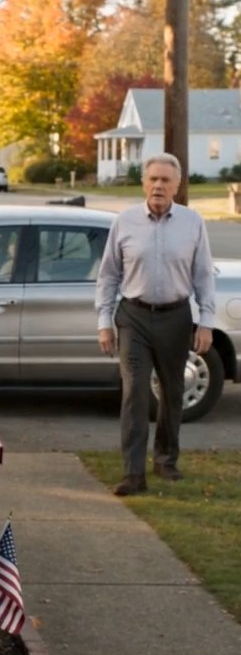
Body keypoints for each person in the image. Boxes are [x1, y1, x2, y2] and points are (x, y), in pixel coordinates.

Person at [94, 152, 216, 497]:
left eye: (166, 180)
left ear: (177, 186)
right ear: (143, 183)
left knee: (172, 391)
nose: (159, 185)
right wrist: (105, 322)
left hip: (176, 317)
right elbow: (108, 275)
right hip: (133, 317)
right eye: (153, 179)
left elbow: (203, 275)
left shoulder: (192, 223)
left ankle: (165, 459)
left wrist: (205, 321)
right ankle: (133, 473)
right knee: (134, 393)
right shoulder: (125, 222)